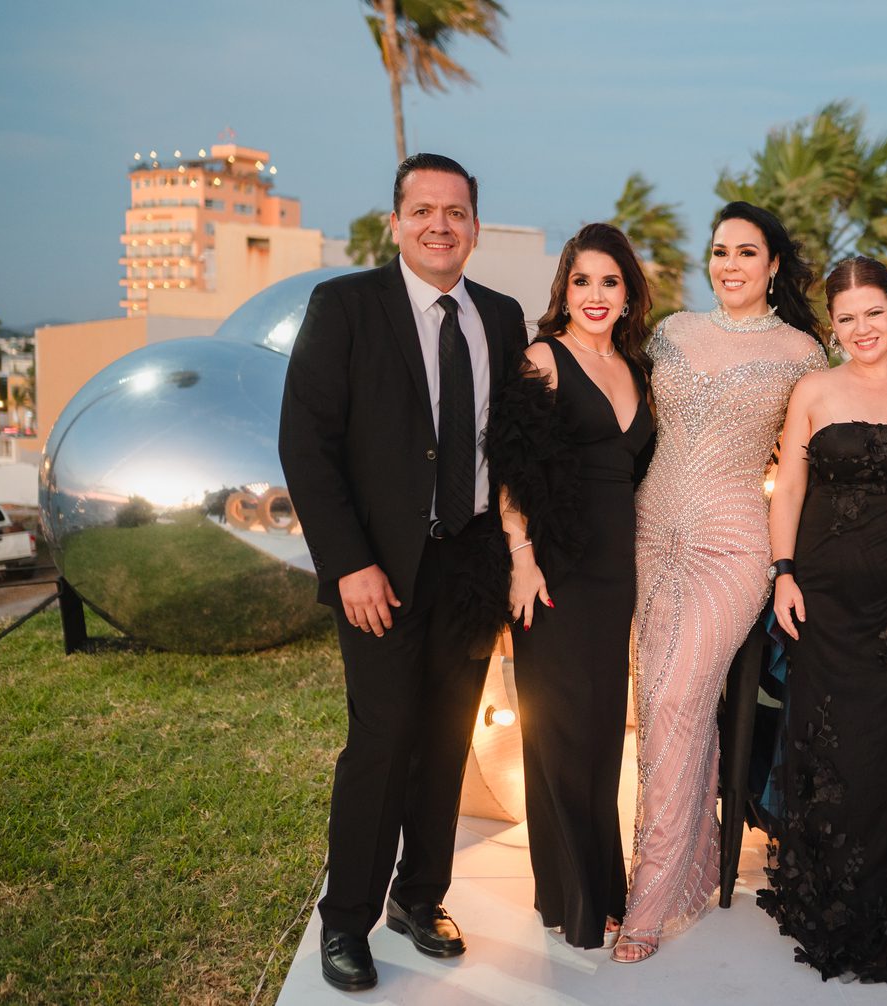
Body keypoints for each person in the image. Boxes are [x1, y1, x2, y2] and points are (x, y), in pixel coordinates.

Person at [279, 154, 528, 992]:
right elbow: (305, 445)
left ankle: (419, 898)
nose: (439, 226)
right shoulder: (345, 306)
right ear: (395, 223)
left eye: (455, 212)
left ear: (475, 227)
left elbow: (515, 445)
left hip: (472, 564)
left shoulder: (502, 317)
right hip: (379, 568)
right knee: (382, 741)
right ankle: (345, 920)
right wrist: (349, 562)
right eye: (422, 210)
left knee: (447, 739)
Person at [616, 201, 827, 963]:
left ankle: (649, 902)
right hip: (649, 532)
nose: (729, 265)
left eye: (746, 252)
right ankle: (689, 867)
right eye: (719, 251)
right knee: (659, 706)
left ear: (773, 265)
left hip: (734, 544)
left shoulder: (802, 353)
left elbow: (812, 463)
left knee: (679, 699)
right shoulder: (670, 332)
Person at [757, 255, 887, 984]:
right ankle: (823, 899)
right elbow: (788, 490)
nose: (862, 329)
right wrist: (783, 573)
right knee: (826, 743)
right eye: (846, 318)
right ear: (833, 325)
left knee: (885, 746)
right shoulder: (814, 390)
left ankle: (881, 904)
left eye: (873, 312)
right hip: (823, 596)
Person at [498, 223, 656, 950]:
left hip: (615, 576)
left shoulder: (636, 368)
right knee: (559, 734)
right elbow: (511, 465)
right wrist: (521, 558)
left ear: (628, 294)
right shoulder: (544, 358)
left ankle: (592, 887)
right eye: (582, 280)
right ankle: (579, 901)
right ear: (564, 289)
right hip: (554, 570)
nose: (596, 294)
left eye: (610, 281)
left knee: (598, 734)